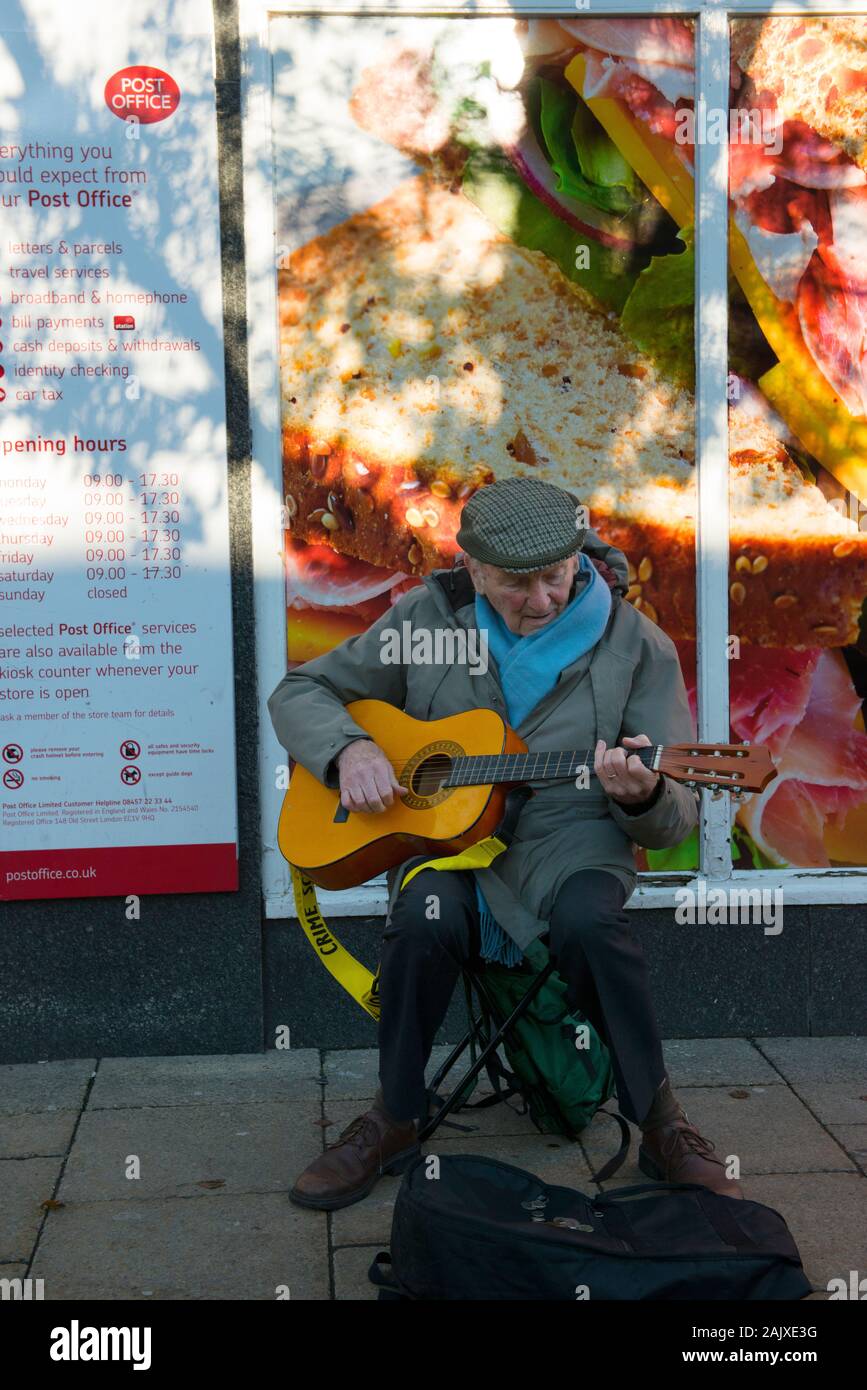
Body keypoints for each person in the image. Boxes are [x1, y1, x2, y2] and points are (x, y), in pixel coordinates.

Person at [268, 476, 744, 1210]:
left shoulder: (634, 644)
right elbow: (300, 693)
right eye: (516, 585)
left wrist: (643, 793)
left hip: (572, 835)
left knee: (592, 926)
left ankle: (661, 1124)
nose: (543, 601)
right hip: (450, 844)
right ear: (475, 569)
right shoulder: (425, 616)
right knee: (420, 921)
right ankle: (394, 1115)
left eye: (555, 578)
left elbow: (674, 816)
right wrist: (348, 752)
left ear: (576, 557)